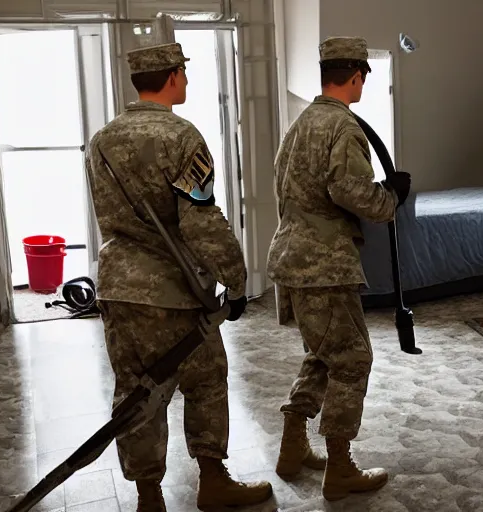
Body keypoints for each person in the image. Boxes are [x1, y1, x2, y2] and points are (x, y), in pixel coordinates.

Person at [85, 42, 273, 512]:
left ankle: (149, 496)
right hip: (176, 291)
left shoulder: (101, 141)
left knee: (136, 388)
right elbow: (200, 220)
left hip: (118, 285)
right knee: (206, 377)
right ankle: (212, 480)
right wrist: (236, 278)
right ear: (171, 77)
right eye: (183, 74)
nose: (185, 81)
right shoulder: (182, 137)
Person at [267, 36, 411, 501]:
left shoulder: (301, 123)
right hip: (323, 265)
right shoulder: (343, 126)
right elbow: (350, 189)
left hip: (292, 257)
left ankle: (293, 446)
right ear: (356, 76)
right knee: (352, 360)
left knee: (323, 354)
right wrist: (391, 197)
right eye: (364, 76)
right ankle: (341, 467)